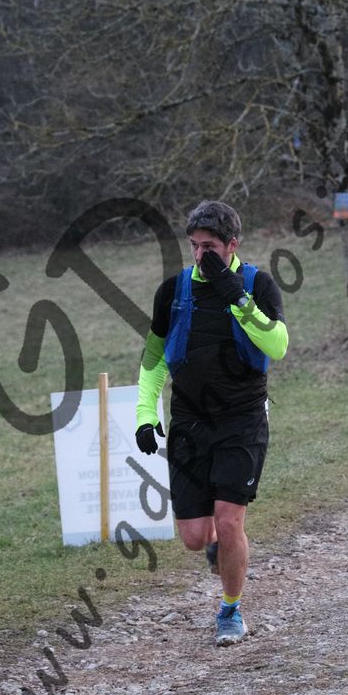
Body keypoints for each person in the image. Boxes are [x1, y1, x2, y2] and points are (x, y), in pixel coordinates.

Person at [134, 201, 289, 647]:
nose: (201, 255)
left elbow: (277, 346)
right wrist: (146, 414)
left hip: (243, 419)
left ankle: (230, 611)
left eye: (211, 247)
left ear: (232, 246)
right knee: (195, 536)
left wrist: (235, 296)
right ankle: (218, 542)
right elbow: (153, 358)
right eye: (195, 246)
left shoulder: (257, 285)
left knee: (230, 519)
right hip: (189, 421)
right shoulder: (173, 291)